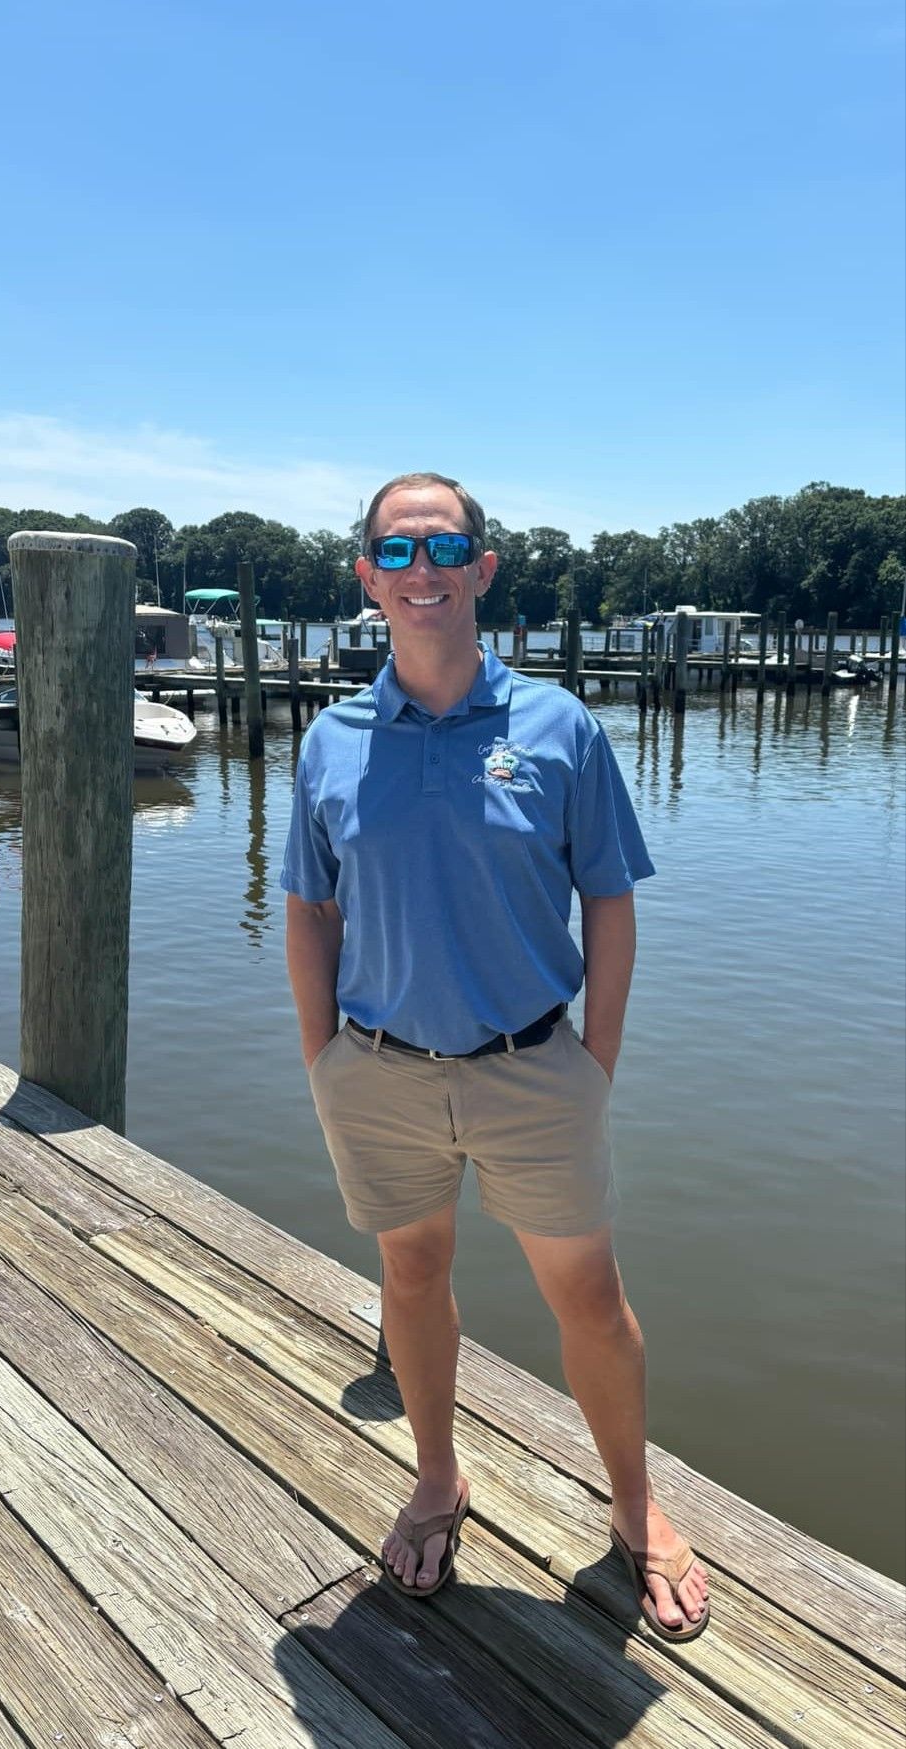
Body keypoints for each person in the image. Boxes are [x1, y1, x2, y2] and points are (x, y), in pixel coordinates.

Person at [281, 472, 710, 1640]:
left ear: (483, 570)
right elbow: (310, 910)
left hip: (533, 1067)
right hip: (375, 1069)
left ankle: (634, 1506)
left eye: (447, 547)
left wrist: (595, 1062)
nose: (424, 571)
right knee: (411, 1277)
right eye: (398, 552)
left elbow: (611, 902)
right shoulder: (329, 741)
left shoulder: (560, 727)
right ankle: (435, 1477)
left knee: (591, 1298)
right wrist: (321, 1053)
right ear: (368, 578)